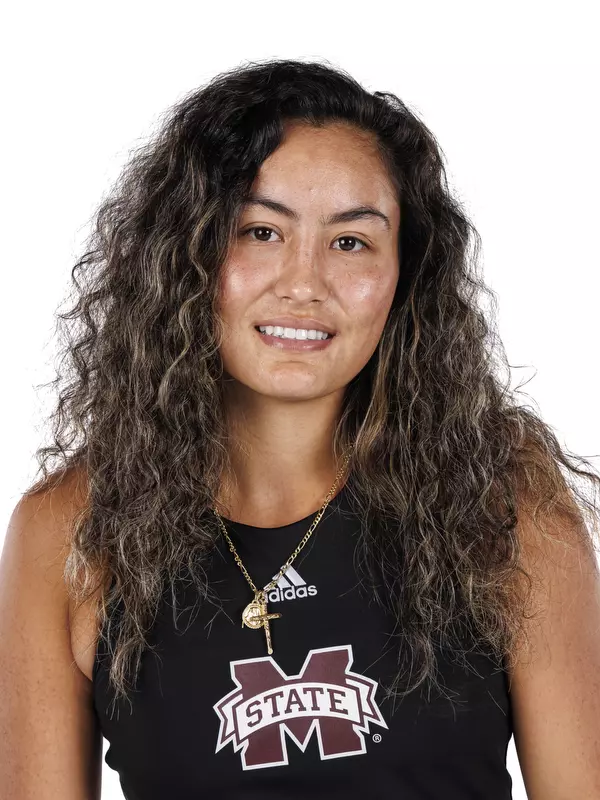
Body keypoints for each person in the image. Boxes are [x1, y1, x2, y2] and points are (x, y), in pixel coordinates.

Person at [1, 58, 600, 800]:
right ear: (184, 254)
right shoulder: (70, 530)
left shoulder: (503, 503)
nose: (304, 283)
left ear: (404, 275)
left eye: (351, 242)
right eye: (259, 231)